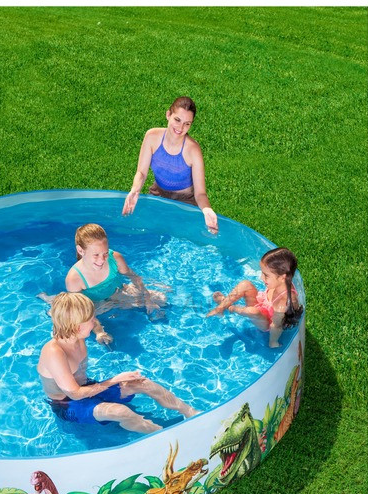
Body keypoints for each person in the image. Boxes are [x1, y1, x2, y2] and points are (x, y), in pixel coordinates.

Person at [37, 292, 199, 433]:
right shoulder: (54, 353)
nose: (94, 321)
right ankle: (163, 435)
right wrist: (115, 380)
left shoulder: (74, 333)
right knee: (121, 412)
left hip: (87, 387)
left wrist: (99, 332)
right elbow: (75, 394)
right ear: (76, 326)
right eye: (90, 319)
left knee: (143, 383)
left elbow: (85, 320)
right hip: (67, 404)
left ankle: (191, 413)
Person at [41, 223, 166, 345]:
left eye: (105, 253)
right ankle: (52, 301)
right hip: (93, 304)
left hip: (117, 292)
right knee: (71, 320)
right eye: (96, 255)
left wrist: (148, 298)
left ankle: (114, 303)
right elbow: (83, 309)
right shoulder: (74, 278)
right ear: (80, 250)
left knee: (161, 299)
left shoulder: (115, 258)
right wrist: (99, 331)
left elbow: (134, 277)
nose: (101, 259)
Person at [123, 96, 219, 234]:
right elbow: (142, 173)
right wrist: (135, 190)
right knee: (148, 233)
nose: (181, 128)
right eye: (177, 120)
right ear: (168, 115)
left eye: (187, 124)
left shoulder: (193, 150)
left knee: (178, 235)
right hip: (158, 193)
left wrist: (207, 210)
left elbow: (200, 193)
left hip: (185, 201)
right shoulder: (152, 137)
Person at [206, 247, 303, 348]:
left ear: (283, 277)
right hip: (262, 305)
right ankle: (220, 308)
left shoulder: (282, 305)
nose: (261, 278)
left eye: (266, 275)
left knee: (253, 311)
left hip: (265, 323)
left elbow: (276, 327)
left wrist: (273, 342)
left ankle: (230, 307)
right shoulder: (279, 282)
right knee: (245, 284)